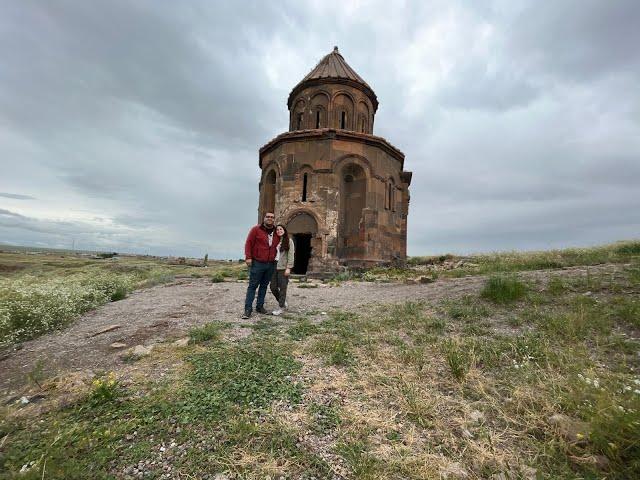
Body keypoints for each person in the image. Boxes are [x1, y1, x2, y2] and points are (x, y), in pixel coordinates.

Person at [242, 212, 278, 318]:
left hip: (270, 264)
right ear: (264, 218)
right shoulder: (256, 229)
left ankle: (260, 307)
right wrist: (248, 257)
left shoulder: (277, 232)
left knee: (263, 286)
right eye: (268, 217)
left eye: (272, 217)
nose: (270, 219)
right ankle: (248, 309)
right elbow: (248, 243)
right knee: (252, 286)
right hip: (258, 262)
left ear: (274, 219)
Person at [270, 224, 295, 316]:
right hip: (274, 266)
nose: (279, 231)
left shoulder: (289, 241)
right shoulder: (276, 241)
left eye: (281, 229)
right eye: (277, 230)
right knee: (273, 287)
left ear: (284, 230)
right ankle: (283, 302)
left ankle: (281, 308)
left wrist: (288, 268)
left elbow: (291, 255)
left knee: (283, 288)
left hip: (283, 267)